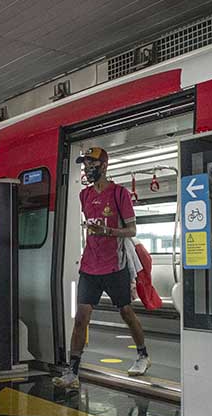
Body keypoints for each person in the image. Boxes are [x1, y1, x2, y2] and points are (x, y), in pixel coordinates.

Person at [53, 146, 151, 390]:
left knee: (126, 313)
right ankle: (72, 372)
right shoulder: (84, 196)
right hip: (90, 267)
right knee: (81, 317)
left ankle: (143, 355)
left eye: (92, 164)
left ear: (104, 166)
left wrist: (108, 232)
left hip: (114, 267)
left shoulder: (119, 194)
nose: (87, 168)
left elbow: (132, 230)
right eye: (85, 164)